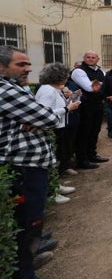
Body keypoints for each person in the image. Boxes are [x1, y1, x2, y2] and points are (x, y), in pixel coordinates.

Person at [0, 46, 60, 279]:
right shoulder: (6, 90)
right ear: (2, 67)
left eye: (28, 64)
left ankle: (30, 256)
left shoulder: (16, 88)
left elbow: (42, 115)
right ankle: (24, 272)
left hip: (30, 166)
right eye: (21, 65)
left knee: (31, 218)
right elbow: (51, 117)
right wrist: (44, 117)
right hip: (23, 168)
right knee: (26, 221)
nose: (28, 68)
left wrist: (40, 117)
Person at [34, 63, 82, 202]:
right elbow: (44, 113)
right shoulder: (47, 90)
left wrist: (71, 100)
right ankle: (51, 192)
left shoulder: (53, 89)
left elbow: (58, 105)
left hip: (60, 126)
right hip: (53, 128)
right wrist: (68, 108)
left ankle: (55, 185)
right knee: (52, 159)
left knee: (56, 157)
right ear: (59, 77)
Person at [70, 51, 108, 168]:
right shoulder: (78, 71)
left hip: (98, 104)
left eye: (93, 57)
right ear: (84, 58)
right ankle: (82, 160)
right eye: (88, 57)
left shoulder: (101, 71)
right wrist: (99, 85)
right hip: (84, 106)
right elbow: (90, 88)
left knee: (95, 130)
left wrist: (98, 84)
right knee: (84, 132)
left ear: (98, 59)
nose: (91, 59)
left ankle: (92, 154)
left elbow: (107, 86)